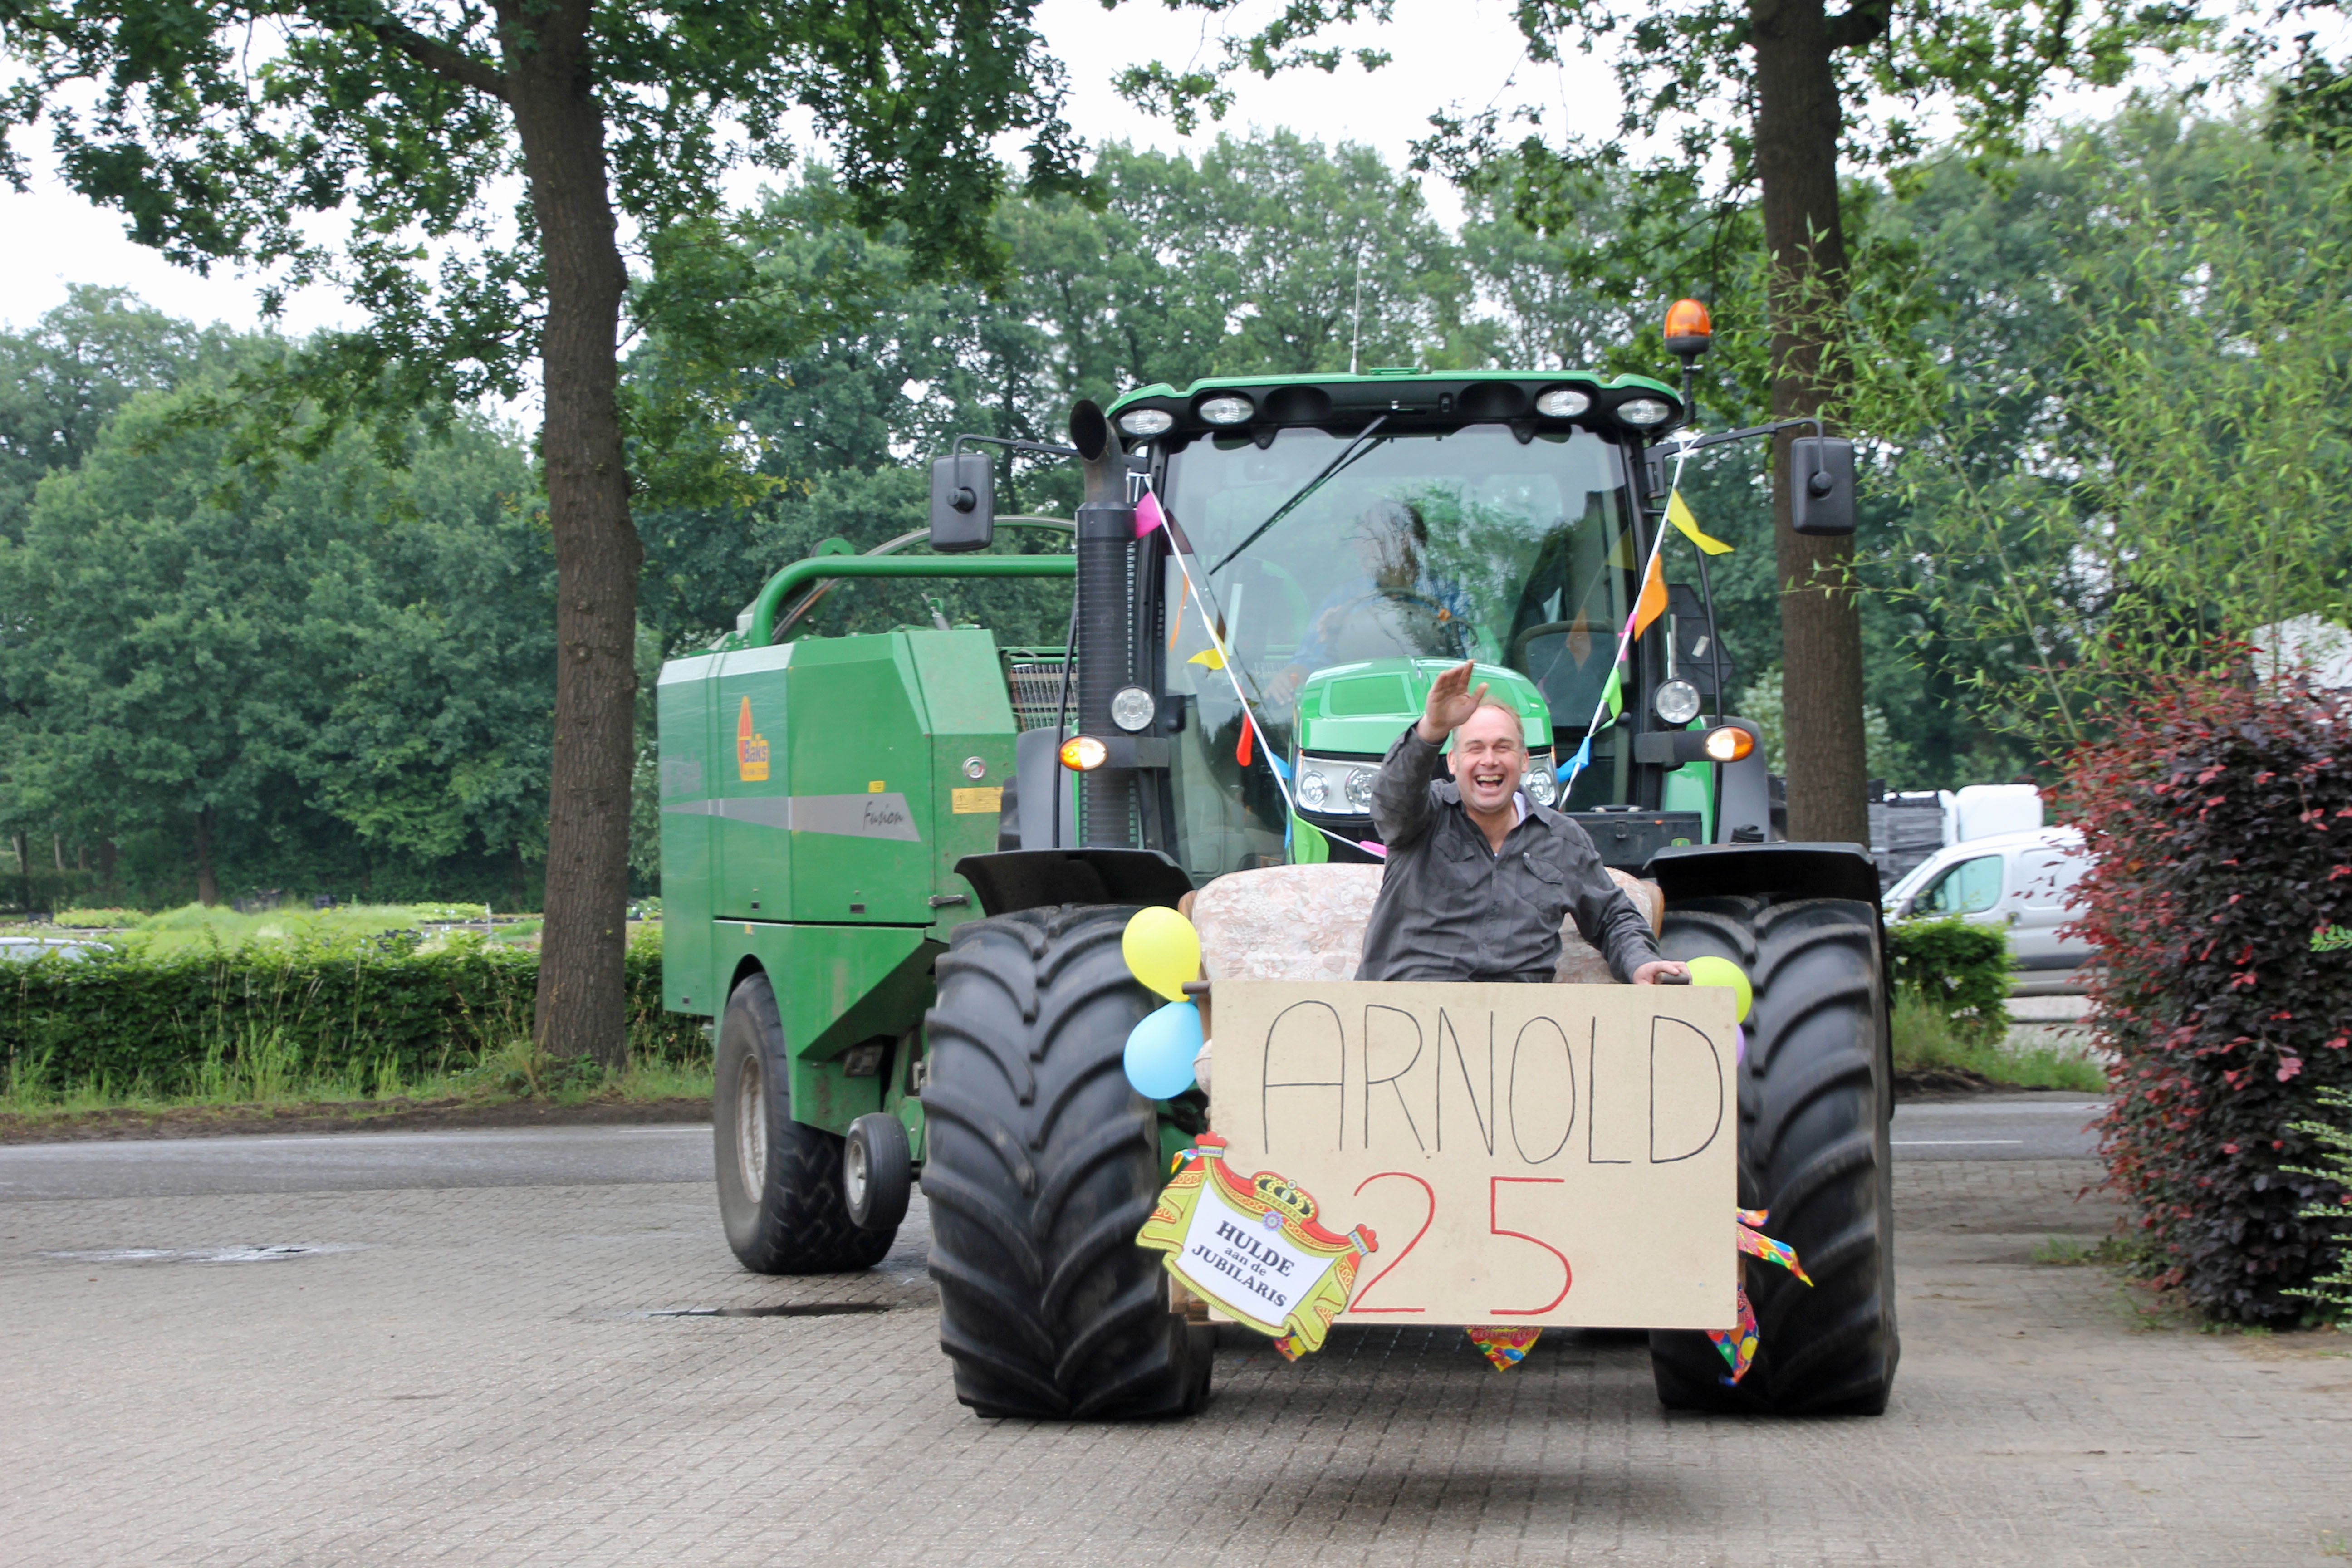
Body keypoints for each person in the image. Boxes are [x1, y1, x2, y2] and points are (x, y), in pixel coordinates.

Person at [1355, 659, 1687, 986]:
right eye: (1475, 748)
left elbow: (1612, 917)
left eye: (1503, 747)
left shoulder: (1563, 840)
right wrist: (1432, 727)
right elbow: (1392, 797)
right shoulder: (1420, 817)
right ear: (1453, 762)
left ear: (1524, 760)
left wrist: (1641, 962)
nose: (1490, 760)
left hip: (1517, 1025)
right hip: (1407, 1015)